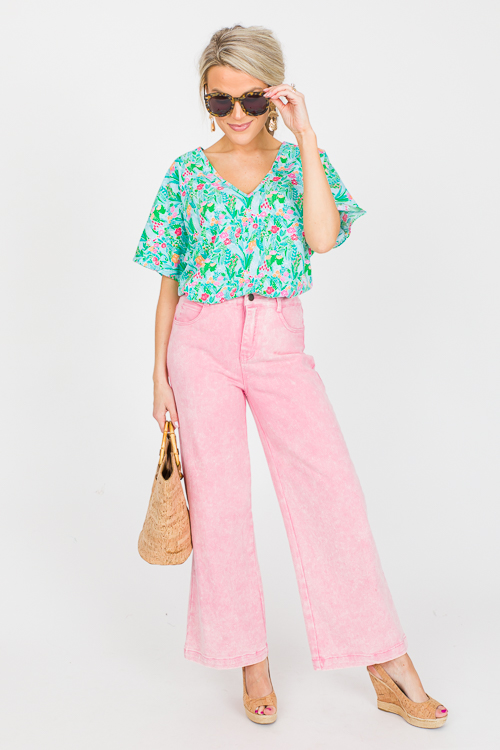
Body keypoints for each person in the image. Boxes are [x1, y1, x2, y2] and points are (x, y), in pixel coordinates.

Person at [133, 24, 448, 729]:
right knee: (221, 506)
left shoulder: (300, 160)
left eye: (251, 100)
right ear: (204, 99)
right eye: (219, 101)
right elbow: (168, 282)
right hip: (201, 343)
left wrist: (305, 136)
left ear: (274, 96)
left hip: (277, 337)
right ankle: (250, 660)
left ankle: (388, 662)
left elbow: (323, 238)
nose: (236, 115)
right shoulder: (185, 173)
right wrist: (157, 374)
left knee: (333, 493)